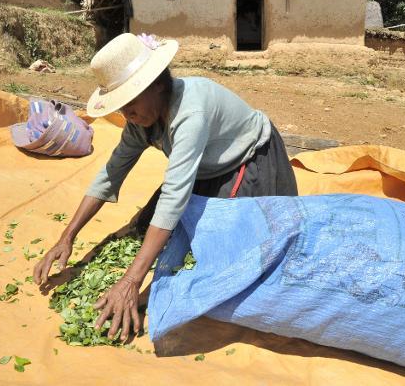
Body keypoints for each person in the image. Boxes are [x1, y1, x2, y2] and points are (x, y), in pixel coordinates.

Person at [33, 33, 298, 343]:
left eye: (130, 103)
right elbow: (111, 173)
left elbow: (174, 196)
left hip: (250, 162)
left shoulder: (190, 114)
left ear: (157, 84)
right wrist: (67, 237)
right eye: (121, 108)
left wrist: (131, 281)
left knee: (221, 255)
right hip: (204, 169)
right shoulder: (141, 121)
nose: (126, 115)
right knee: (147, 231)